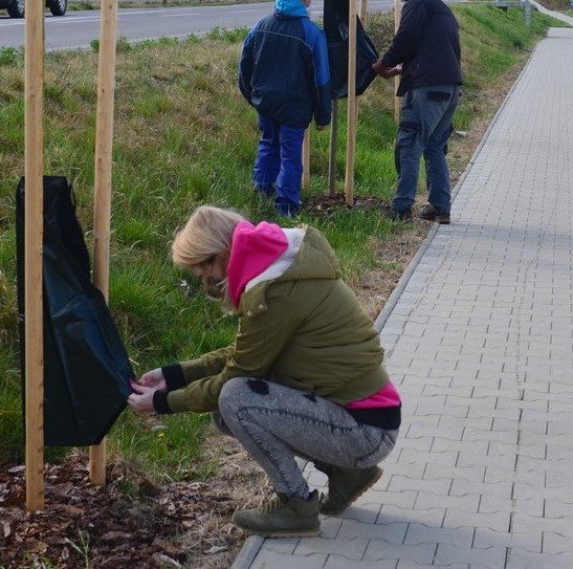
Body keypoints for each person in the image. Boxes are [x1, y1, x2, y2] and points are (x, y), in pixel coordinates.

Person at [127, 206, 401, 537]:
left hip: (366, 431)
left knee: (235, 399)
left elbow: (236, 374)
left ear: (219, 256)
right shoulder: (278, 268)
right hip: (362, 417)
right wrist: (175, 374)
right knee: (225, 412)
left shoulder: (275, 292)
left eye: (204, 273)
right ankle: (347, 473)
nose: (207, 283)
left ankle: (296, 504)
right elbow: (245, 353)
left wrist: (163, 403)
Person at [239, 0, 332, 218]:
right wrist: (323, 116)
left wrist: (251, 95)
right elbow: (322, 79)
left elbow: (244, 63)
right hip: (295, 106)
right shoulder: (312, 33)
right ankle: (287, 207)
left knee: (268, 145)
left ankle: (261, 194)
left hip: (266, 102)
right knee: (291, 155)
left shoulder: (261, 24)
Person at [372, 0, 462, 225]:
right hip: (451, 88)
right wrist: (403, 69)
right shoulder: (444, 10)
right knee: (435, 148)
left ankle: (402, 207)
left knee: (409, 145)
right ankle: (441, 208)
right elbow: (436, 51)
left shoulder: (417, 4)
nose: (404, 1)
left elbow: (406, 39)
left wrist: (385, 63)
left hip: (426, 89)